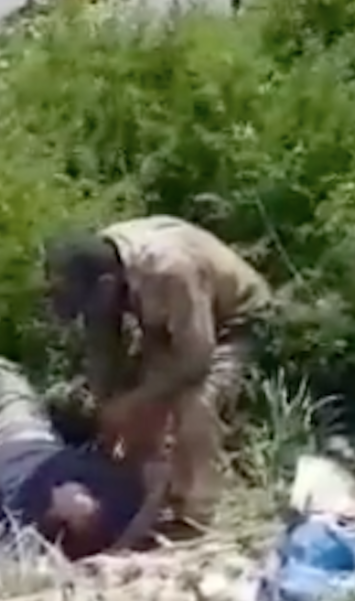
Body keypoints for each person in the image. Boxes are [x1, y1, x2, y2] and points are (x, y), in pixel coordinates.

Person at [44, 215, 272, 532]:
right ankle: (138, 495)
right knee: (139, 402)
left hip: (232, 320)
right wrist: (106, 405)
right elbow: (102, 346)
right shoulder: (99, 264)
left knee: (195, 403)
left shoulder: (170, 271)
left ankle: (197, 510)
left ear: (107, 285)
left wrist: (131, 402)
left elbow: (196, 358)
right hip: (172, 323)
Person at [0, 356, 148, 559]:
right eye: (92, 501)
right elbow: (152, 479)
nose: (81, 495)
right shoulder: (117, 497)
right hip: (27, 433)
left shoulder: (19, 526)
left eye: (75, 515)